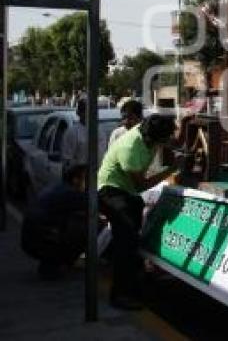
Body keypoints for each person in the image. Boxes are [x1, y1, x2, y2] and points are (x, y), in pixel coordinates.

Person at [97, 113, 178, 310]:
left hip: (127, 191)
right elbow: (142, 185)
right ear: (154, 137)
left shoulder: (148, 137)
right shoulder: (130, 148)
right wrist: (172, 170)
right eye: (164, 139)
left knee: (133, 240)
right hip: (111, 191)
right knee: (126, 241)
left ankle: (134, 285)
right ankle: (119, 295)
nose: (167, 142)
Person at [20, 164, 88, 279]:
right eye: (86, 179)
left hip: (29, 237)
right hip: (39, 239)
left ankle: (51, 263)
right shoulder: (71, 193)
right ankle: (56, 262)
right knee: (86, 228)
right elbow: (93, 208)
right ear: (76, 180)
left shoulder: (58, 187)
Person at [61, 97, 109, 172]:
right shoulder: (72, 132)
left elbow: (103, 155)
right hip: (79, 176)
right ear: (78, 112)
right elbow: (67, 159)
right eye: (85, 111)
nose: (88, 114)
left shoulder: (100, 131)